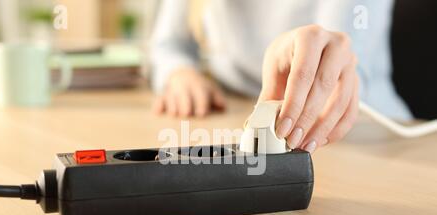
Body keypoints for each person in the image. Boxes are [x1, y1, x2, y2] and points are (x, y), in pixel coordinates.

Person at [150, 0, 412, 153]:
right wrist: (179, 72)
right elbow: (169, 44)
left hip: (369, 132)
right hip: (233, 109)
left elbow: (344, 58)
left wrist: (322, 58)